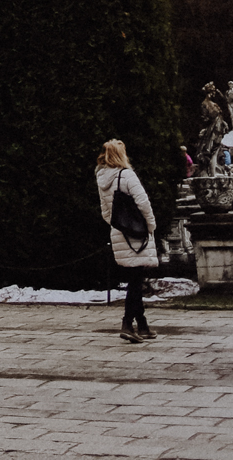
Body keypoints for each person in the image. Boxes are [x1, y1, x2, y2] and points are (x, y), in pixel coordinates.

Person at [96, 139, 157, 342]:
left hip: (119, 232)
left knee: (134, 278)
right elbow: (143, 202)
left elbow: (105, 211)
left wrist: (117, 225)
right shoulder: (126, 175)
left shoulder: (101, 176)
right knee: (136, 281)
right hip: (136, 234)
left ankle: (142, 325)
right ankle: (127, 323)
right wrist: (150, 225)